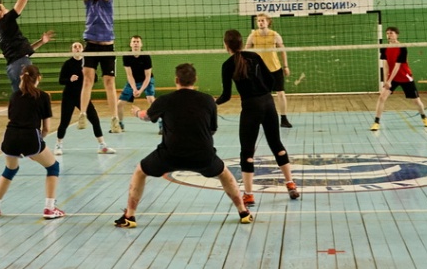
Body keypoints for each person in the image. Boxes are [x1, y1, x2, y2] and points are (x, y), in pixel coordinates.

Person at [113, 63, 253, 228]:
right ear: (195, 79)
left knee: (140, 171)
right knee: (224, 174)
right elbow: (212, 130)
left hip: (170, 155)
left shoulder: (164, 100)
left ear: (176, 80)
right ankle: (243, 212)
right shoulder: (208, 100)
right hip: (203, 155)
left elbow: (146, 117)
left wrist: (137, 112)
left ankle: (129, 216)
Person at [217, 30, 299, 207]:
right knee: (276, 144)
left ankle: (249, 195)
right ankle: (290, 184)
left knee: (247, 152)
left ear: (226, 45)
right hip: (268, 103)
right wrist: (264, 93)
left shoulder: (227, 65)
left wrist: (212, 103)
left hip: (250, 107)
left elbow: (226, 95)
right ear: (241, 42)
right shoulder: (254, 56)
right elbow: (270, 80)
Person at [0, 65, 66, 220]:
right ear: (39, 78)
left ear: (21, 77)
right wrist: (37, 148)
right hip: (30, 138)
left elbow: (12, 118)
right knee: (53, 167)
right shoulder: (43, 96)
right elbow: (46, 128)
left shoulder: (14, 96)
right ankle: (50, 208)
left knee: (10, 170)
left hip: (10, 137)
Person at [0, 0, 54, 94]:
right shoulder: (6, 21)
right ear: (0, 13)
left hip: (13, 66)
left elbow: (21, 50)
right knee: (27, 95)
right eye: (4, 8)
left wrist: (41, 42)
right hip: (20, 64)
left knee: (19, 96)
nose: (7, 9)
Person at [52, 42, 115, 156]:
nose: (77, 48)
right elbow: (61, 80)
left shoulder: (87, 63)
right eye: (75, 47)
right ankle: (58, 145)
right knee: (64, 121)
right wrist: (70, 79)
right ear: (71, 50)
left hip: (83, 97)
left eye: (79, 46)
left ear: (83, 49)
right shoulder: (67, 63)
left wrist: (87, 75)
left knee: (95, 120)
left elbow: (95, 79)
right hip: (69, 96)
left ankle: (102, 145)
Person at [76, 0, 117, 129]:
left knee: (109, 83)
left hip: (107, 46)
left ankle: (114, 119)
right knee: (87, 80)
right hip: (91, 45)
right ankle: (82, 114)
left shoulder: (108, 2)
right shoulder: (89, 3)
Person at [371, 27, 427, 131]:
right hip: (392, 78)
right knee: (382, 97)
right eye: (387, 33)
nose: (389, 35)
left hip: (405, 77)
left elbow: (397, 65)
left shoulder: (402, 47)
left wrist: (389, 80)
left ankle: (424, 117)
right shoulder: (384, 48)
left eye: (391, 33)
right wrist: (386, 80)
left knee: (416, 101)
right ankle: (376, 122)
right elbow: (385, 65)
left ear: (397, 35)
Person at [247, 14, 293, 128]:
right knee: (261, 96)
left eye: (262, 20)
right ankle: (262, 118)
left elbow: (283, 51)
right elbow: (246, 51)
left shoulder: (275, 35)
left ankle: (284, 119)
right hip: (260, 71)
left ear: (268, 22)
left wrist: (285, 66)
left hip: (275, 69)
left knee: (280, 93)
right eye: (258, 21)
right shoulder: (253, 35)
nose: (260, 22)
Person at [114, 35, 155, 134]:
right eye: (134, 41)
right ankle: (120, 124)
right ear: (130, 44)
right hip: (133, 81)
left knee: (151, 100)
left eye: (137, 42)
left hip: (146, 80)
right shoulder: (126, 56)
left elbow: (148, 76)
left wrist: (140, 90)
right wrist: (134, 89)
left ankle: (162, 123)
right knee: (119, 104)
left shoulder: (146, 56)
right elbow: (129, 75)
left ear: (141, 44)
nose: (136, 43)